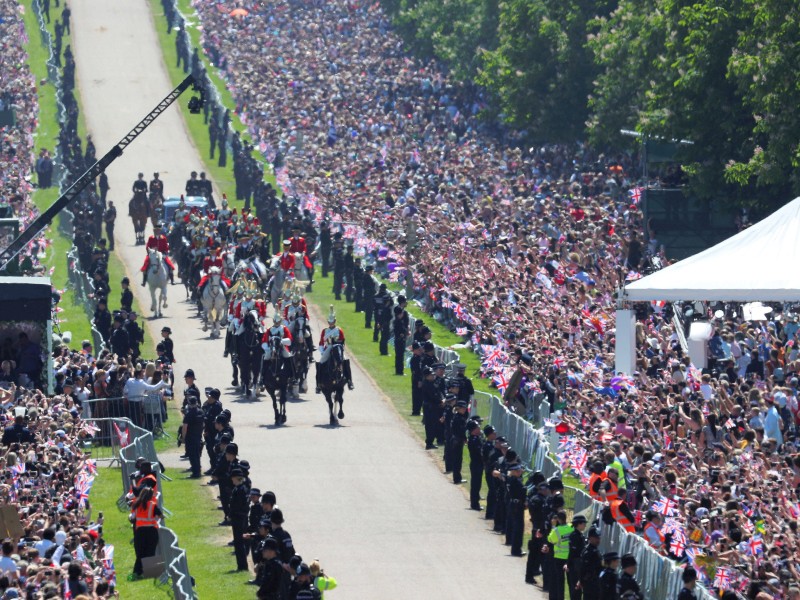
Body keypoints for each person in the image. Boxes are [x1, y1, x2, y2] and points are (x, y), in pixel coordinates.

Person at [315, 307, 353, 392]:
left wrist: (341, 349)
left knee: (346, 360)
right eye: (329, 322)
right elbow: (321, 342)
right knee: (320, 362)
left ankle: (350, 381)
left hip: (338, 347)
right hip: (328, 347)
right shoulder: (325, 331)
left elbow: (343, 341)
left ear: (335, 321)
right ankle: (318, 384)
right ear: (328, 322)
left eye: (332, 322)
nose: (331, 323)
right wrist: (322, 351)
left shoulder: (339, 330)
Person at [129, 486, 162, 580]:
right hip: (152, 531)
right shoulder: (153, 505)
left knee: (140, 553)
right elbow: (161, 516)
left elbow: (132, 518)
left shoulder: (136, 504)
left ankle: (137, 573)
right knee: (150, 552)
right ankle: (149, 573)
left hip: (140, 532)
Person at [547, 509, 573, 599]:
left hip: (559, 558)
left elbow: (550, 539)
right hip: (569, 558)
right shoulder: (571, 527)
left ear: (558, 519)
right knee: (571, 582)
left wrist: (553, 526)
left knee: (560, 582)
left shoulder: (556, 530)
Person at [229, 467, 251, 571]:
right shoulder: (239, 488)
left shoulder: (241, 490)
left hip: (239, 519)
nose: (231, 480)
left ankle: (242, 566)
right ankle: (241, 565)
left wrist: (233, 514)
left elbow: (239, 506)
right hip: (238, 518)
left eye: (233, 478)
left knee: (239, 543)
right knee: (238, 543)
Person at [182, 394, 205, 478]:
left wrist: (183, 438)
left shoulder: (189, 414)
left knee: (192, 455)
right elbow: (203, 424)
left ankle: (196, 473)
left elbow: (185, 427)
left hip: (190, 437)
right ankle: (197, 470)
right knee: (197, 455)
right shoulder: (201, 412)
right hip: (198, 436)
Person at [566, 515, 588, 600]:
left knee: (578, 589)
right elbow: (572, 552)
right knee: (575, 588)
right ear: (578, 524)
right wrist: (568, 564)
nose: (585, 525)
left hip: (578, 565)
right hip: (575, 565)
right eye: (583, 523)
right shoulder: (575, 536)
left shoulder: (580, 535)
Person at [580, 527, 603, 600]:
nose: (598, 540)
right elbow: (584, 569)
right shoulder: (589, 552)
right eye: (596, 537)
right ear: (590, 538)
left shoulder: (594, 550)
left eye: (599, 537)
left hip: (595, 584)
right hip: (591, 584)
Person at [449, 400, 469, 484]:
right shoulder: (459, 418)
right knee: (457, 460)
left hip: (456, 440)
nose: (464, 409)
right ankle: (457, 478)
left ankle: (457, 477)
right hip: (457, 440)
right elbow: (461, 431)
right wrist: (465, 439)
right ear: (459, 408)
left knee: (458, 460)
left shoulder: (457, 417)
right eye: (463, 408)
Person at [467, 419, 483, 510]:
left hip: (477, 464)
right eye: (477, 427)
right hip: (476, 463)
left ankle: (475, 502)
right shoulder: (474, 440)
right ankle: (474, 503)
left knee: (477, 483)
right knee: (476, 484)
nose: (479, 428)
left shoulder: (476, 438)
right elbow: (479, 452)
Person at [392, 296, 410, 375]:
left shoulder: (399, 319)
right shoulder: (398, 322)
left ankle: (399, 370)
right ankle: (399, 371)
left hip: (400, 338)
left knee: (399, 355)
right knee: (400, 355)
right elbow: (401, 328)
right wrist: (403, 333)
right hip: (399, 338)